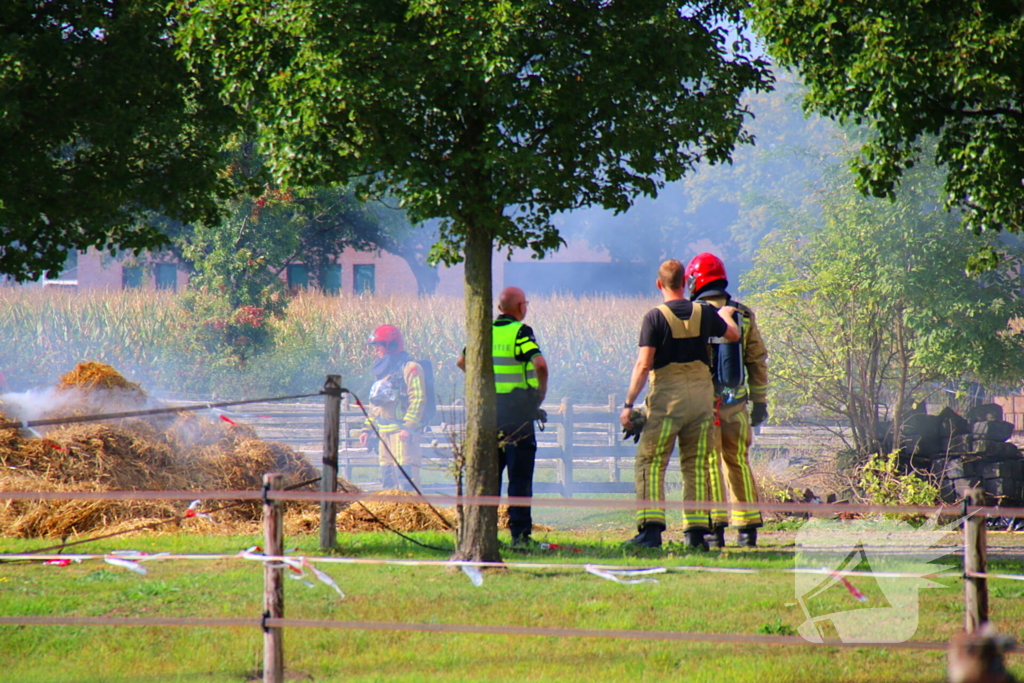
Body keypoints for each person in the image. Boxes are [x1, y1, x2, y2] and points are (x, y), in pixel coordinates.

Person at [619, 259, 740, 550]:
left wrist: (628, 404)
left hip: (667, 400)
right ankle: (696, 536)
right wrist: (724, 314)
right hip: (700, 398)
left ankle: (650, 533)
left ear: (659, 284)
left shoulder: (654, 317)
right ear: (686, 282)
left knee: (651, 461)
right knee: (696, 465)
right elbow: (733, 335)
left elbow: (644, 363)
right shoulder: (705, 312)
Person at [685, 253, 768, 548]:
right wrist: (760, 403)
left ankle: (714, 530)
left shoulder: (692, 314)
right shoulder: (743, 314)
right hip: (737, 406)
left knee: (708, 464)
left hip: (704, 407)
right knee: (738, 462)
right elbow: (756, 360)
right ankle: (748, 531)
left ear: (695, 281)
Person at [457, 286, 548, 548]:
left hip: (487, 413)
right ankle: (520, 537)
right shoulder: (520, 332)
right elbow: (540, 365)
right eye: (525, 304)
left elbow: (462, 362)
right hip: (517, 415)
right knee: (519, 479)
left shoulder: (483, 331)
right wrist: (538, 397)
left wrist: (482, 387)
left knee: (488, 477)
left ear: (499, 308)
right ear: (520, 307)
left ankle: (483, 536)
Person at [358, 325, 427, 492]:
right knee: (388, 479)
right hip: (384, 433)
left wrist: (409, 427)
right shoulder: (383, 370)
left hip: (402, 433)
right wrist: (367, 428)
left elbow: (417, 398)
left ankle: (413, 513)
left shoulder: (411, 368)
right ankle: (393, 516)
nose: (376, 350)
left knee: (406, 479)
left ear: (392, 345)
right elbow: (376, 404)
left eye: (379, 346)